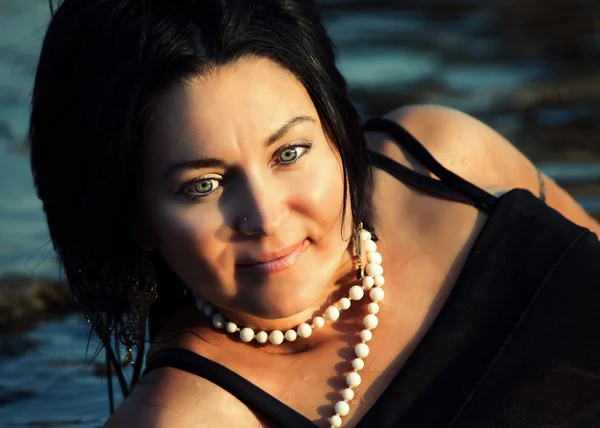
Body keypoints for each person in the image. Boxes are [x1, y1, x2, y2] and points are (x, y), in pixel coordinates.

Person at [29, 0, 600, 427]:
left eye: (291, 153)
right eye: (203, 185)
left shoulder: (441, 158)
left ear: (334, 132)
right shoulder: (187, 416)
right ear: (137, 220)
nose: (266, 216)